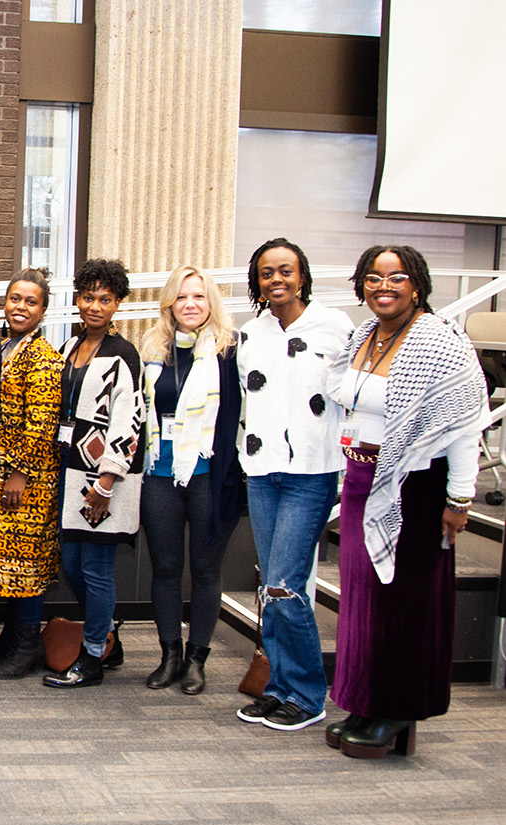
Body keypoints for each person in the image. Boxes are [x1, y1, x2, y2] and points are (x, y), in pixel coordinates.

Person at [324, 245, 485, 758]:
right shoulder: (361, 337)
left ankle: (395, 709)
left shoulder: (440, 341)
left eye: (396, 277)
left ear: (417, 283)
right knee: (363, 602)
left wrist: (459, 498)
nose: (383, 286)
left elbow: (463, 427)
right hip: (360, 480)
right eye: (373, 277)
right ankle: (363, 700)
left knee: (402, 604)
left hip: (415, 487)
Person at [235, 238, 352, 731]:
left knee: (285, 585)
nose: (276, 279)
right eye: (266, 272)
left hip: (312, 470)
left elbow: (351, 394)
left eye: (285, 270)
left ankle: (308, 694)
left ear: (302, 275)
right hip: (262, 472)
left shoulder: (337, 327)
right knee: (270, 584)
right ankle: (279, 687)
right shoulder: (249, 333)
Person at [137, 266, 243, 696]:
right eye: (182, 298)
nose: (191, 305)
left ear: (211, 302)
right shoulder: (153, 349)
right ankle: (169, 656)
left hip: (209, 475)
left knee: (204, 569)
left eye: (199, 297)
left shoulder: (229, 351)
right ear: (170, 304)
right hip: (159, 472)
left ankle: (197, 659)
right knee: (164, 569)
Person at [43, 258, 144, 689]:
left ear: (118, 302)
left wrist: (107, 479)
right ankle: (105, 635)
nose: (95, 307)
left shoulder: (124, 355)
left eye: (105, 299)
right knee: (73, 564)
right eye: (88, 297)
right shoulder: (68, 348)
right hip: (70, 472)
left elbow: (130, 420)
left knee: (96, 568)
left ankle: (92, 657)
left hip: (103, 479)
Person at [0, 268, 64, 679]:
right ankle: (11, 636)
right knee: (10, 561)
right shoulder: (3, 346)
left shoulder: (44, 358)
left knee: (26, 562)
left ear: (43, 310)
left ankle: (27, 643)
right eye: (15, 298)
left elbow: (42, 422)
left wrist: (21, 473)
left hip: (28, 478)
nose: (20, 307)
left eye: (30, 302)